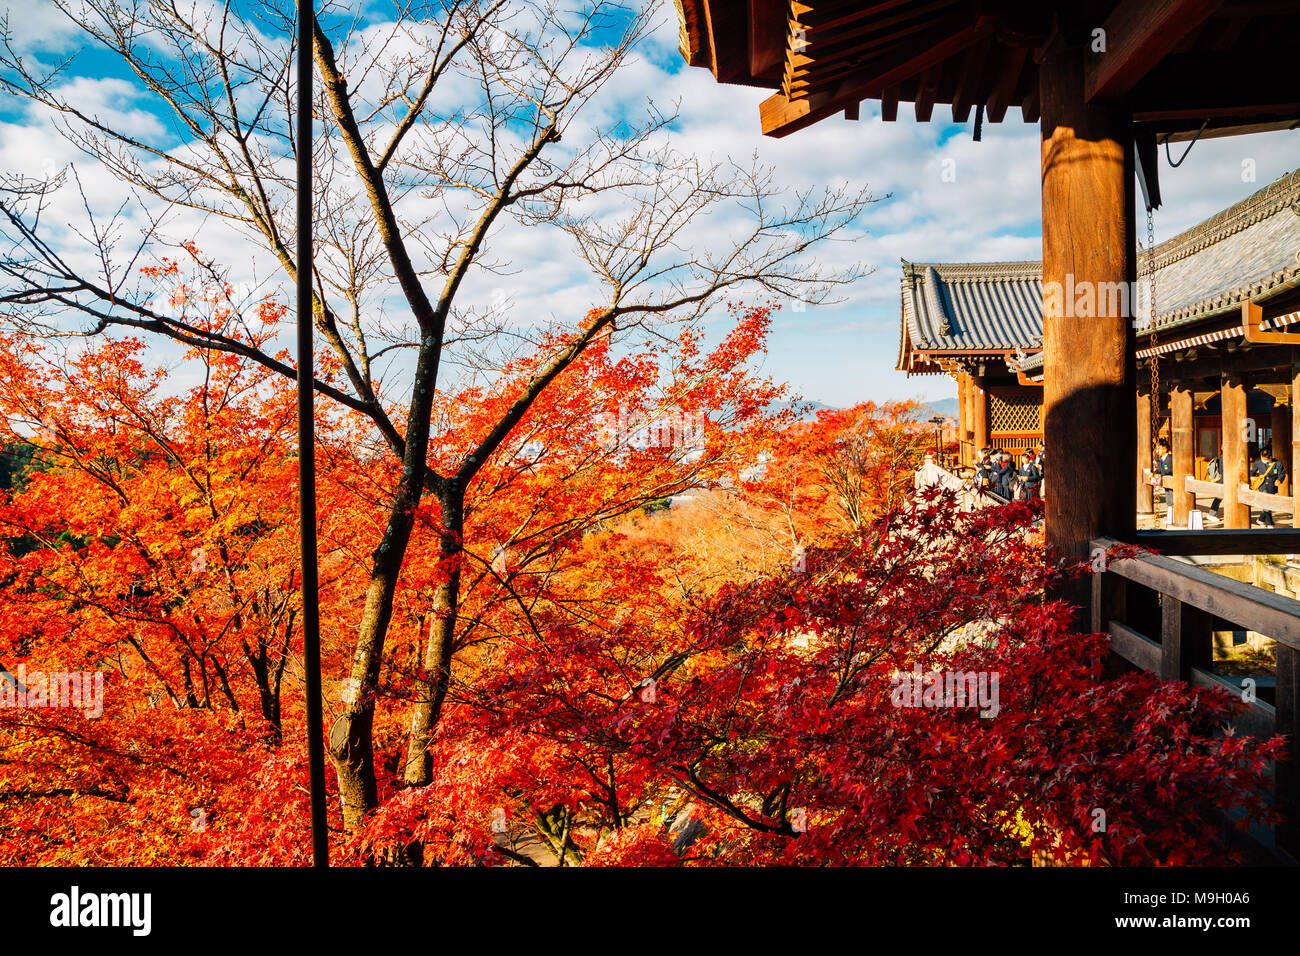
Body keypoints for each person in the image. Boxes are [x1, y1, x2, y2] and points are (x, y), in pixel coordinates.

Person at [1250, 447, 1286, 528]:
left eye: (1265, 459)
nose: (1263, 460)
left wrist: (1279, 480)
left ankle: (1260, 520)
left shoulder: (1277, 463)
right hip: (1262, 486)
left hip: (1272, 487)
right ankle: (1270, 523)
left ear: (1270, 457)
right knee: (1267, 504)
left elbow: (1282, 473)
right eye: (1262, 458)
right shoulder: (1258, 463)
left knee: (1268, 504)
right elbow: (1252, 472)